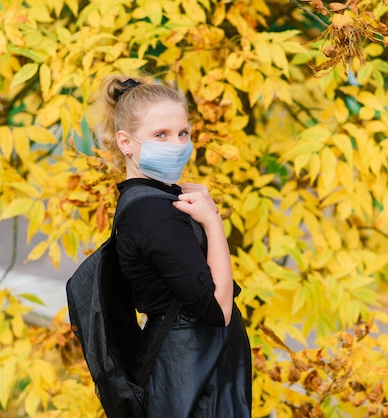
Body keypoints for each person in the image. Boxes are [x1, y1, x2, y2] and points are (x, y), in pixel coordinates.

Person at [97, 74, 252, 417]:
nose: (177, 144)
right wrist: (213, 222)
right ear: (126, 143)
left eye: (183, 133)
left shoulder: (148, 200)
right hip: (191, 375)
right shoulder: (156, 215)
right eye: (160, 135)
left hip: (189, 366)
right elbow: (217, 311)